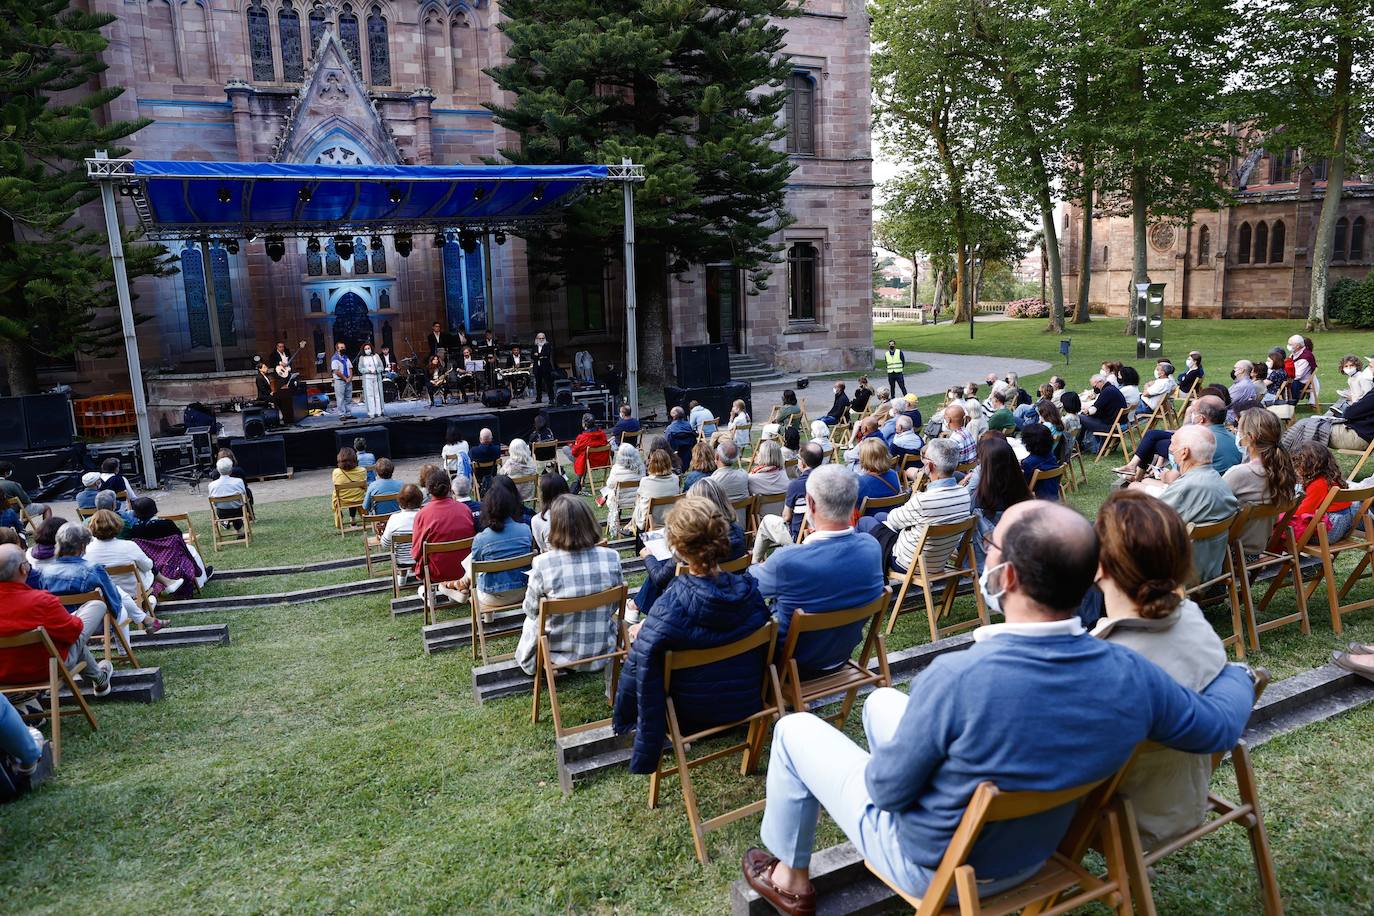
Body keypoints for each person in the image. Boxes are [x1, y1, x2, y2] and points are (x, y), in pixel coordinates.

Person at [742, 500, 1255, 913]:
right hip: (1034, 852)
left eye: (990, 547)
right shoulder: (1132, 673)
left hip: (938, 866)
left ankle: (790, 879)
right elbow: (1216, 727)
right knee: (880, 702)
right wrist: (1237, 673)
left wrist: (918, 777)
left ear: (1006, 578)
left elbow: (885, 790)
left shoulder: (958, 678)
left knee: (796, 731)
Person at [1090, 490, 1230, 851]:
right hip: (1184, 802)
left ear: (1100, 566)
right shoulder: (1195, 622)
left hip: (1118, 818)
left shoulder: (1102, 662)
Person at [612, 493, 772, 774]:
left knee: (632, 639)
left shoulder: (670, 607)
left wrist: (623, 717)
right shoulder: (751, 594)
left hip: (689, 714)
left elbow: (637, 671)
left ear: (676, 548)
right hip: (745, 699)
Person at [750, 464, 885, 675]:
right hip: (841, 657)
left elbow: (744, 587)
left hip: (789, 666)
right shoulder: (871, 546)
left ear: (810, 503)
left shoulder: (787, 561)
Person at [514, 496, 625, 676]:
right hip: (602, 645)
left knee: (533, 621)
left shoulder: (543, 564)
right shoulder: (611, 557)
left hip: (557, 651)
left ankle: (535, 662)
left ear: (555, 526)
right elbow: (613, 607)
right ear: (589, 521)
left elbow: (531, 610)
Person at [0, 543, 113, 698]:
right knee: (96, 607)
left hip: (3, 676)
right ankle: (100, 678)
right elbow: (73, 633)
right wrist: (70, 619)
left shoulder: (39, 600)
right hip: (46, 669)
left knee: (62, 635)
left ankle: (100, 679)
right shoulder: (41, 601)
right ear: (23, 569)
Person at [1135, 425, 1239, 583]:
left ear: (1184, 452)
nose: (1170, 448)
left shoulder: (1185, 488)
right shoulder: (1220, 482)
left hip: (1177, 573)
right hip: (1211, 569)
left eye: (1173, 444)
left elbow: (1146, 528)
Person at [632, 479, 746, 619]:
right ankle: (635, 605)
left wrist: (648, 556)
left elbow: (660, 579)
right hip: (729, 593)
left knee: (661, 563)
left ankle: (635, 606)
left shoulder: (695, 549)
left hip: (693, 602)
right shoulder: (739, 533)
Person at [857, 438, 971, 576]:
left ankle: (860, 569)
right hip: (939, 560)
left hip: (909, 562)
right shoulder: (964, 495)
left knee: (865, 521)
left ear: (929, 466)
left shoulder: (924, 500)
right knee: (879, 517)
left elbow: (893, 521)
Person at [39, 522, 158, 633]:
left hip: (58, 623)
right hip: (91, 623)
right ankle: (126, 650)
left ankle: (145, 620)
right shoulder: (93, 569)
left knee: (117, 594)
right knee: (121, 607)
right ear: (82, 545)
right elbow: (114, 601)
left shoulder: (44, 572)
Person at [442, 481, 532, 607]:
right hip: (525, 591)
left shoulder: (481, 538)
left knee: (474, 562)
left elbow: (474, 570)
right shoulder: (525, 530)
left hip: (492, 595)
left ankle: (461, 584)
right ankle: (460, 583)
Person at [1115, 395, 1241, 480]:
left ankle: (1137, 476)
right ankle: (1136, 472)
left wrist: (1163, 475)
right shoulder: (1233, 438)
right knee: (1153, 437)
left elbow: (1174, 478)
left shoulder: (1197, 441)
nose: (1192, 415)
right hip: (1218, 486)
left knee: (1139, 486)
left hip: (1195, 489)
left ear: (1201, 418)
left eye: (1193, 412)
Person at [1223, 409, 1296, 555]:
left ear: (1251, 437)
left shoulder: (1239, 474)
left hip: (1229, 556)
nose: (1237, 433)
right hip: (1256, 551)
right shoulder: (1283, 471)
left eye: (1239, 429)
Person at [84, 509, 182, 610]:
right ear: (117, 525)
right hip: (133, 590)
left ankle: (153, 596)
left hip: (106, 593)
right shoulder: (128, 546)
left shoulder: (87, 550)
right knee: (147, 566)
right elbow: (148, 566)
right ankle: (152, 598)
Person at [965, 436, 1032, 569]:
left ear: (985, 464)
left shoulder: (979, 499)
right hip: (1016, 556)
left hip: (985, 561)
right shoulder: (1022, 492)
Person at [411, 468, 476, 597]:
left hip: (437, 571)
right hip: (465, 569)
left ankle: (442, 589)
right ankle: (455, 587)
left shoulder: (423, 514)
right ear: (449, 487)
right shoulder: (464, 509)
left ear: (428, 490)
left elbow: (416, 551)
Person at [752, 442, 823, 560]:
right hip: (821, 531)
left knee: (766, 521)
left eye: (799, 458)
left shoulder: (796, 485)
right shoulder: (828, 480)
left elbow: (786, 517)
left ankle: (754, 563)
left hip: (800, 536)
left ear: (803, 463)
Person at [128, 497, 211, 595]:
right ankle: (201, 580)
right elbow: (179, 540)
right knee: (191, 550)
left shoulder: (135, 530)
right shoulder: (167, 524)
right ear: (154, 509)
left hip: (152, 563)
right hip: (172, 560)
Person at [1287, 442, 1356, 547]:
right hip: (1343, 530)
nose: (1296, 470)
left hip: (1327, 534)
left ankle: (1283, 560)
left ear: (1308, 465)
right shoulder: (1333, 480)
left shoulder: (1318, 484)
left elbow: (1303, 511)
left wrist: (1285, 510)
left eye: (1297, 465)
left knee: (1286, 529)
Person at [628, 449, 680, 535]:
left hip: (651, 521)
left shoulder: (645, 481)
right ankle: (630, 525)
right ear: (668, 463)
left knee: (639, 501)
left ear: (651, 464)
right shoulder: (675, 479)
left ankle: (631, 526)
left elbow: (638, 502)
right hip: (671, 519)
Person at [598, 443, 645, 536]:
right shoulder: (641, 467)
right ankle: (603, 499)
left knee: (607, 489)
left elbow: (609, 484)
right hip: (637, 500)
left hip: (619, 500)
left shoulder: (616, 469)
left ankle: (602, 500)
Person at [1077, 374, 1128, 453]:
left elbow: (1094, 409)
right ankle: (1090, 445)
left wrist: (1086, 411)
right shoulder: (1112, 388)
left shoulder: (1106, 392)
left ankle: (1078, 446)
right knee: (1085, 418)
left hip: (1111, 426)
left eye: (1094, 386)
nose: (1094, 388)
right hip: (1121, 423)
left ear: (1100, 382)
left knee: (1080, 417)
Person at [854, 437, 901, 515]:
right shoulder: (894, 474)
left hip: (867, 523)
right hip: (890, 520)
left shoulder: (860, 482)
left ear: (863, 458)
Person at [568, 413, 610, 495]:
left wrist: (573, 446)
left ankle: (578, 481)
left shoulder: (583, 437)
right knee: (582, 455)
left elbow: (574, 452)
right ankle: (579, 481)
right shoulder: (602, 434)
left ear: (584, 424)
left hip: (588, 462)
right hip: (603, 461)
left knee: (567, 450)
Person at [1019, 423, 1062, 501]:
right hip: (1053, 495)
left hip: (1038, 499)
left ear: (1027, 442)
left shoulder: (1028, 463)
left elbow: (1023, 486)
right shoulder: (1051, 456)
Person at [531, 473, 570, 552]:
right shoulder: (580, 510)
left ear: (543, 494)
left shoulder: (538, 520)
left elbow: (542, 547)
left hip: (553, 561)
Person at [207, 457, 249, 530]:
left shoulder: (211, 485)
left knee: (226, 508)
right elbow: (244, 495)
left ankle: (225, 521)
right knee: (241, 505)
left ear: (218, 470)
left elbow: (213, 501)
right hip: (238, 511)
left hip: (221, 512)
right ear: (231, 470)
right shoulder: (238, 481)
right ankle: (239, 528)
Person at [332, 448, 368, 523]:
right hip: (359, 499)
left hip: (342, 501)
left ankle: (348, 518)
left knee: (349, 493)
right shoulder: (362, 470)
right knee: (353, 492)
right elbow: (365, 487)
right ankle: (353, 518)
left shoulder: (336, 472)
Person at [499, 439, 539, 504]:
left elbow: (500, 474)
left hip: (513, 496)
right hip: (529, 495)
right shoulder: (532, 464)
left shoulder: (509, 465)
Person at [1286, 334, 1316, 402]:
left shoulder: (1305, 357)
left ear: (1297, 346)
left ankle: (1292, 403)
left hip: (1301, 382)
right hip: (1292, 377)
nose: (1288, 346)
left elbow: (1298, 376)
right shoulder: (1294, 353)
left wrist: (1285, 378)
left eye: (1290, 344)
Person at [330, 341, 354, 417]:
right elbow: (336, 371)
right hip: (340, 381)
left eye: (344, 347)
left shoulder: (346, 357)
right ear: (337, 349)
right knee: (340, 398)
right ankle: (341, 414)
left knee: (348, 398)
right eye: (341, 347)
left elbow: (350, 368)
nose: (343, 349)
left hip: (348, 380)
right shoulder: (334, 358)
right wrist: (345, 378)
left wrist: (350, 378)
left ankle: (348, 414)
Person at [531, 331, 555, 403]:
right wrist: (540, 355)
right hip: (537, 367)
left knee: (548, 383)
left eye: (542, 338)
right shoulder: (535, 346)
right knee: (538, 384)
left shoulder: (547, 345)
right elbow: (532, 355)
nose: (541, 339)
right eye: (540, 338)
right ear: (537, 339)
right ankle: (538, 399)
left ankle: (551, 399)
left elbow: (546, 354)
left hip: (545, 367)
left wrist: (538, 355)